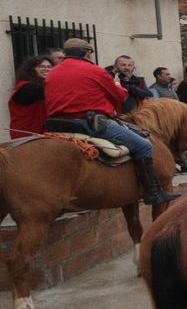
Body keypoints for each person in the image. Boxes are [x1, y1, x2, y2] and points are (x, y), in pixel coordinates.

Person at [45, 38, 178, 204]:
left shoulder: (53, 72)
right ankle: (153, 193)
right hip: (90, 124)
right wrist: (117, 85)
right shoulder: (94, 70)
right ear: (87, 54)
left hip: (55, 124)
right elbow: (120, 96)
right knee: (143, 145)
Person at [8, 53, 51, 139]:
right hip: (26, 135)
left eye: (49, 66)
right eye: (41, 66)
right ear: (31, 69)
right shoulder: (26, 87)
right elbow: (42, 91)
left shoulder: (39, 86)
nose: (46, 69)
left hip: (38, 135)